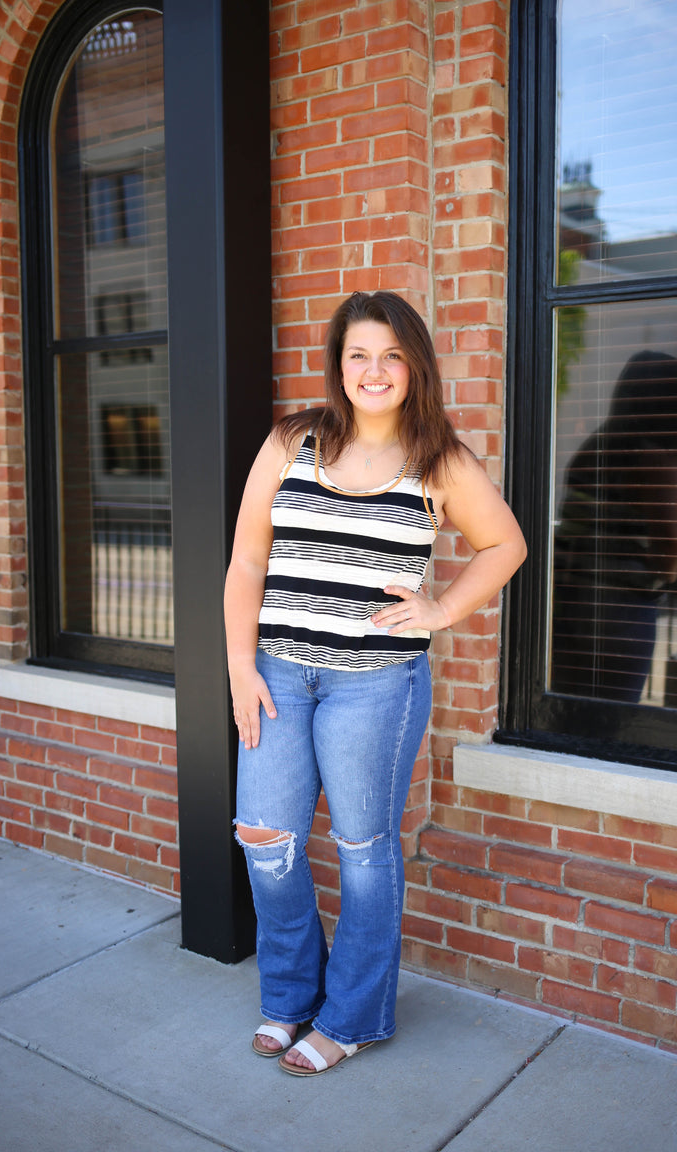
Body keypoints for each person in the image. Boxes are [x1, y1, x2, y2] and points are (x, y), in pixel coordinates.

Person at [223, 290, 526, 1076]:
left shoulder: (442, 460)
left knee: (363, 851)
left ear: (414, 364)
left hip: (377, 686)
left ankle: (352, 1016)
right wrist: (237, 666)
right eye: (359, 354)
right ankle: (290, 998)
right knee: (265, 837)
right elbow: (248, 560)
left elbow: (505, 544)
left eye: (392, 354)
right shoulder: (293, 440)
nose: (374, 369)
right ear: (339, 365)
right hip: (279, 675)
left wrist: (443, 607)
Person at [551, 350, 677, 703]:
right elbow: (670, 554)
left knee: (571, 713)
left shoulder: (594, 448)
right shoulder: (656, 464)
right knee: (612, 723)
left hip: (569, 599)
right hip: (622, 611)